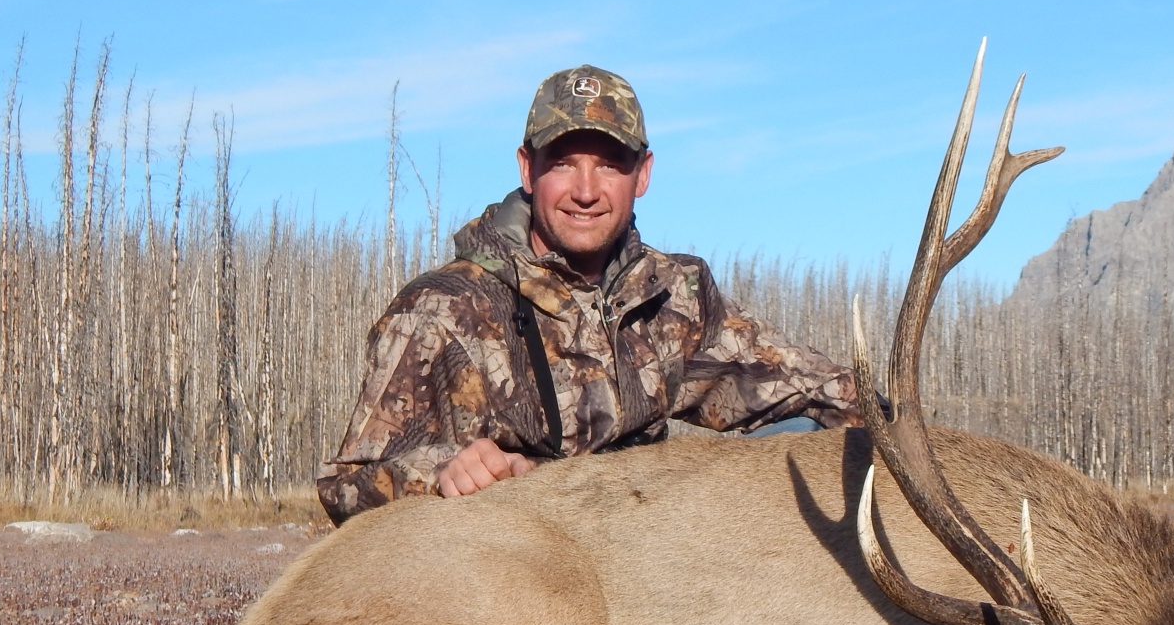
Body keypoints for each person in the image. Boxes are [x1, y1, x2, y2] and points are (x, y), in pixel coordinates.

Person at [317, 65, 859, 523]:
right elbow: (347, 486)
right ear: (528, 169)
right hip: (508, 569)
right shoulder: (443, 308)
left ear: (642, 175)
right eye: (563, 163)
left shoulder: (673, 296)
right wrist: (440, 473)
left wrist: (908, 435)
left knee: (811, 441)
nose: (585, 191)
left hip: (640, 557)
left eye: (608, 165)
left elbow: (812, 391)